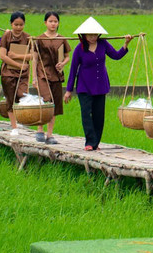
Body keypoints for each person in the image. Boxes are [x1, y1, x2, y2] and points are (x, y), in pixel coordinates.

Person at [65, 16, 133, 151]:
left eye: (95, 34)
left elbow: (116, 55)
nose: (92, 37)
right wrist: (68, 90)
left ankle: (95, 143)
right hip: (84, 86)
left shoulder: (103, 44)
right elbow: (73, 69)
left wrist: (126, 44)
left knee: (99, 115)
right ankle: (89, 142)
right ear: (83, 35)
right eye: (90, 34)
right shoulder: (79, 49)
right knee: (86, 113)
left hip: (100, 85)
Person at [31, 12, 70, 144]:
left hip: (57, 75)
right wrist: (34, 77)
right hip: (43, 74)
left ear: (58, 23)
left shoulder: (62, 38)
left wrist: (63, 63)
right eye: (50, 21)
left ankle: (50, 134)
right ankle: (39, 129)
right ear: (45, 23)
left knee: (55, 105)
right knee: (45, 100)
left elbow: (67, 56)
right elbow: (34, 59)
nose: (53, 24)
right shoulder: (39, 39)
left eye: (55, 21)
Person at [0, 12, 31, 136]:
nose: (18, 27)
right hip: (8, 73)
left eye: (21, 24)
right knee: (10, 99)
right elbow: (3, 56)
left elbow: (33, 55)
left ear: (24, 24)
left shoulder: (28, 38)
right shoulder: (6, 36)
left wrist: (18, 57)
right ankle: (14, 127)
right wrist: (18, 65)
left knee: (22, 95)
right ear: (11, 24)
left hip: (23, 74)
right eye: (16, 24)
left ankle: (19, 120)